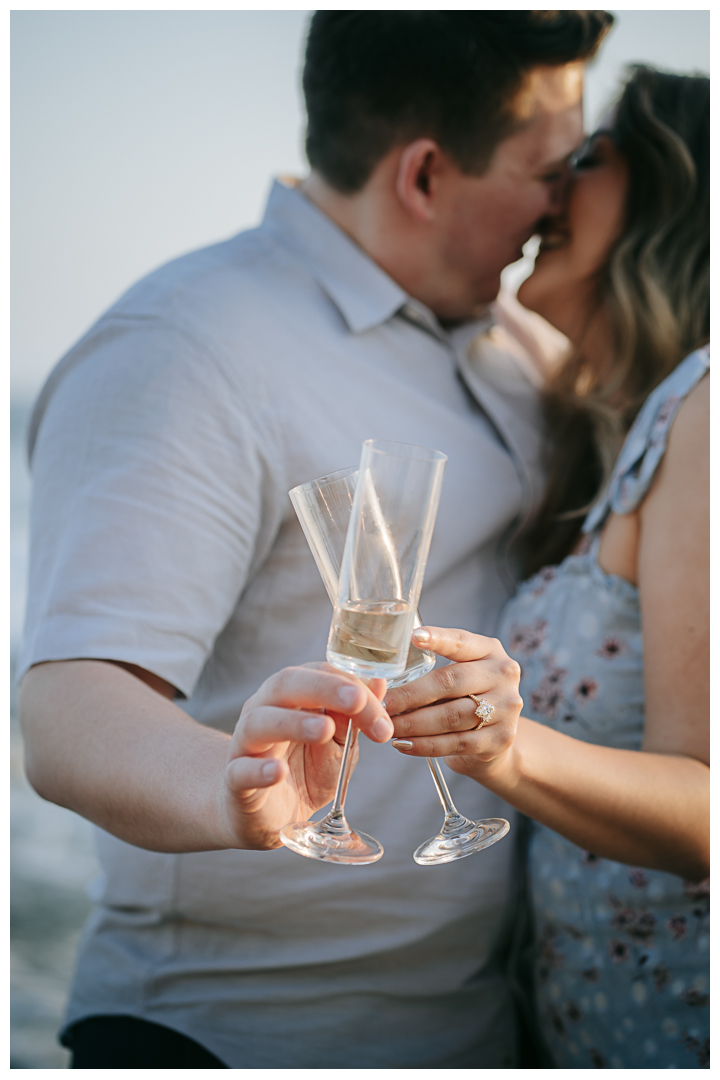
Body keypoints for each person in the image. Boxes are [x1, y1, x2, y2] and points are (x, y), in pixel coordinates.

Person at [17, 11, 613, 1070]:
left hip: (487, 1031)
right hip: (236, 1036)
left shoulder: (515, 343)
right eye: (549, 166)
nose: (566, 196)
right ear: (425, 175)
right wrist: (228, 784)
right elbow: (67, 711)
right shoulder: (185, 350)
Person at [384, 66, 709, 1069]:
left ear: (677, 190)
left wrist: (505, 749)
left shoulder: (707, 406)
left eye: (592, 156)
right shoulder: (625, 425)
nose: (554, 186)